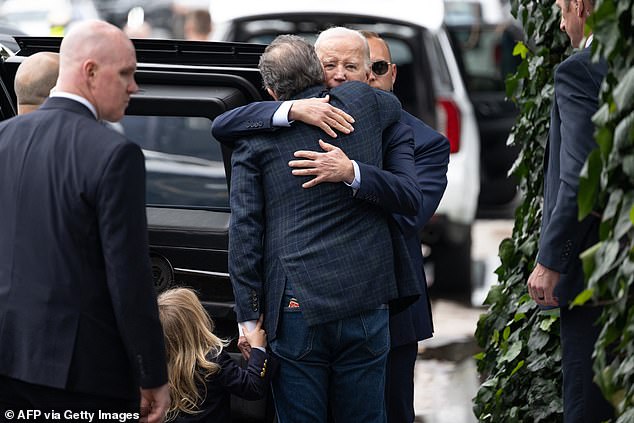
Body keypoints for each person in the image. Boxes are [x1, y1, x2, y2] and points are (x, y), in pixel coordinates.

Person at [213, 27, 450, 422]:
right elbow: (386, 104)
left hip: (300, 308)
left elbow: (245, 237)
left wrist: (250, 323)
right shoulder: (371, 106)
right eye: (332, 66)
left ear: (270, 91)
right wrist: (296, 110)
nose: (342, 75)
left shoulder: (252, 143)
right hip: (365, 301)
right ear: (317, 70)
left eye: (354, 66)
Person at [0, 20, 169, 422]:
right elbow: (129, 278)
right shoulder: (115, 155)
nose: (134, 87)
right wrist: (152, 374)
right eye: (127, 73)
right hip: (82, 377)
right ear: (90, 72)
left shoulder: (3, 138)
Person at [526, 0, 613, 421]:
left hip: (595, 274)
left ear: (580, 6)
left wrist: (550, 260)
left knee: (587, 404)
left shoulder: (580, 69)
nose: (560, 22)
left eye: (562, 9)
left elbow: (579, 176)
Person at [358, 30, 449, 423]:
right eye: (358, 70)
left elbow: (410, 216)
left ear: (392, 73)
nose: (368, 79)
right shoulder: (312, 127)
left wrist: (353, 177)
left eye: (377, 68)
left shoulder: (426, 142)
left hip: (394, 307)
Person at [158, 288, 273, 423]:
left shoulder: (153, 366)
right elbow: (253, 388)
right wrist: (258, 348)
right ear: (198, 321)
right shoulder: (212, 361)